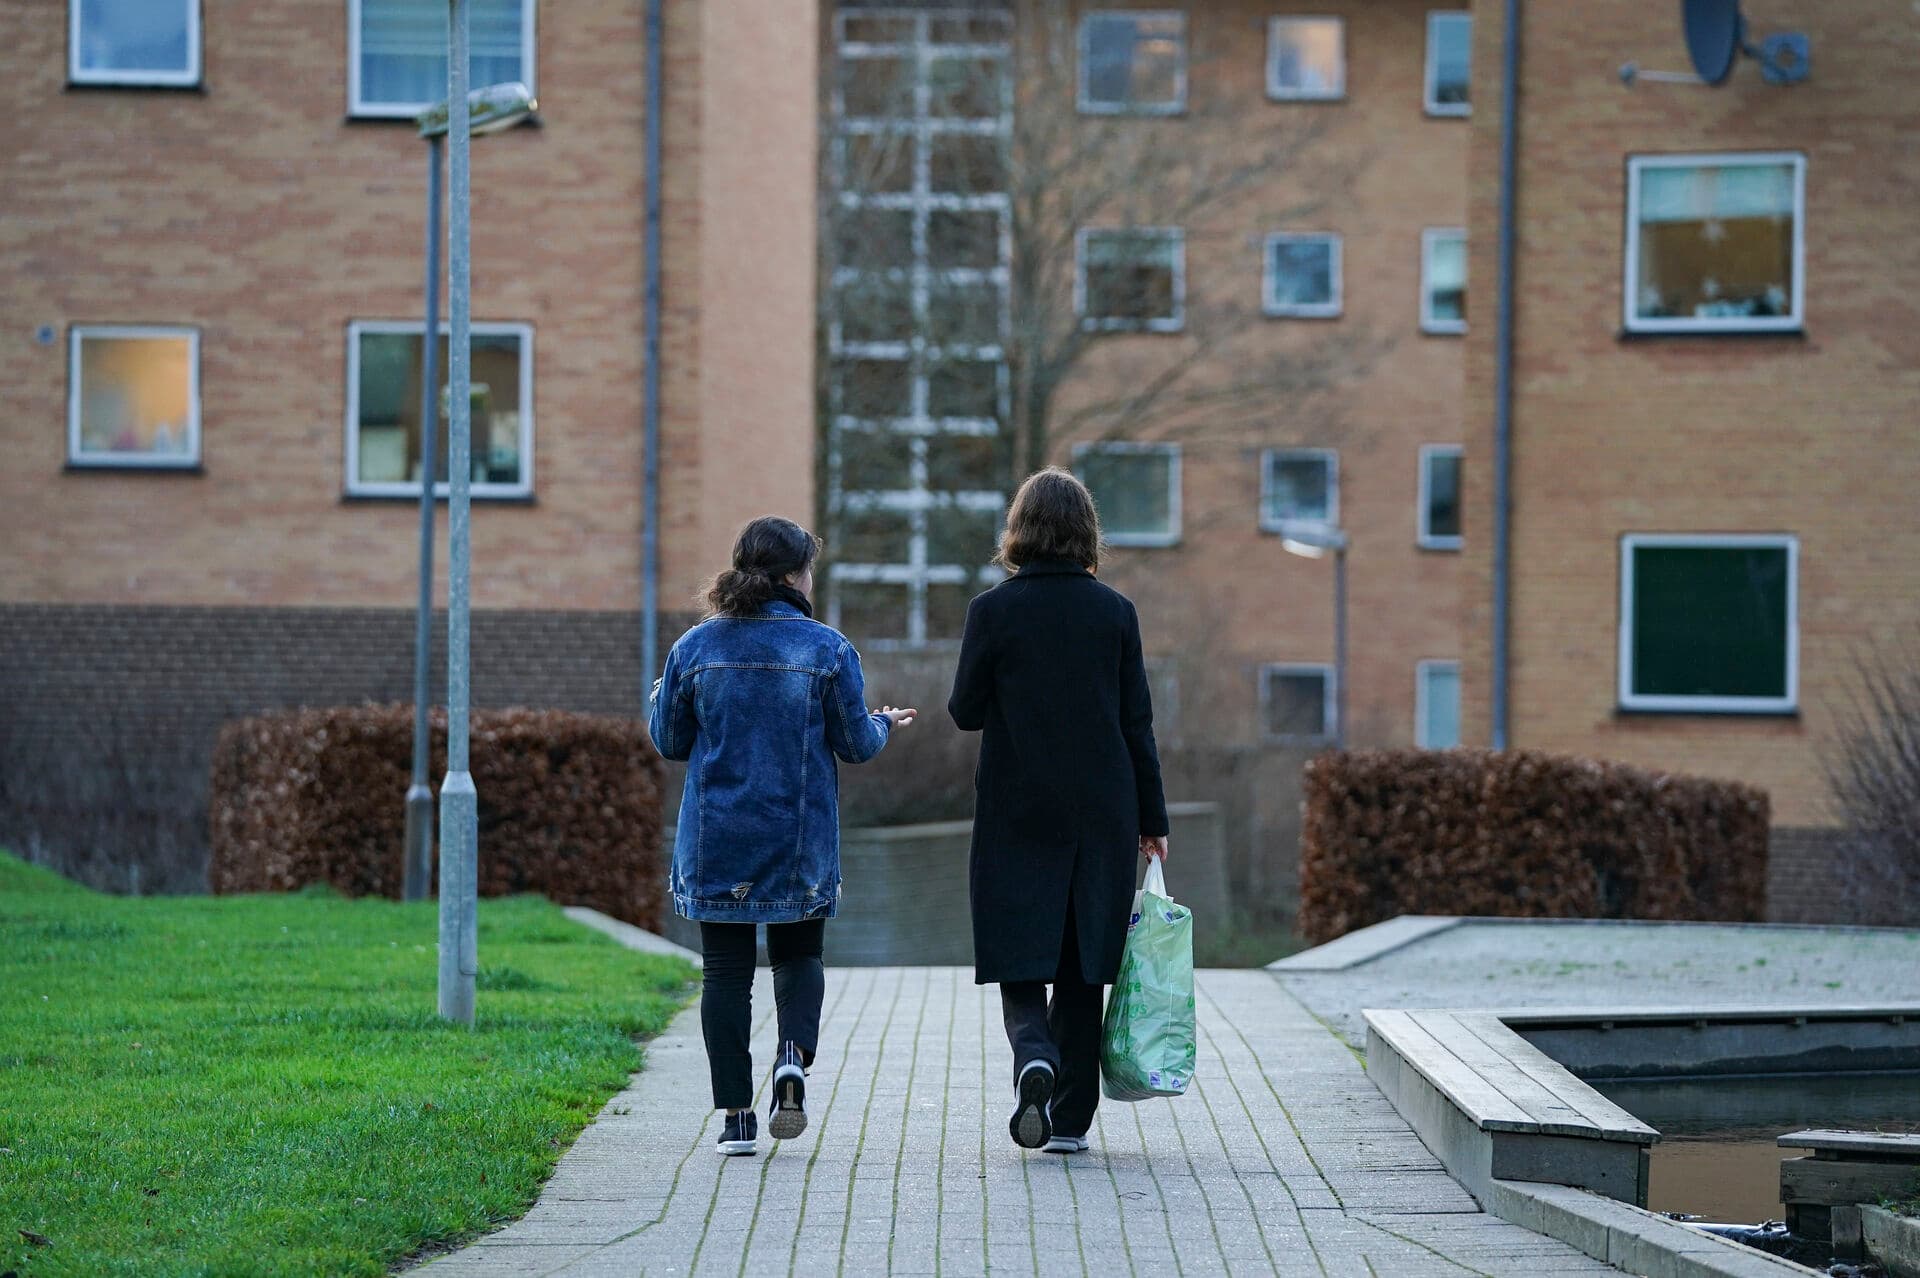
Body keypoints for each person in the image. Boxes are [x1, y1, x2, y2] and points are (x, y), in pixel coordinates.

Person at [650, 516, 916, 1157]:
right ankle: (792, 1059)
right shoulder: (826, 650)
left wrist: (659, 693)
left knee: (725, 973)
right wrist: (882, 723)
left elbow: (669, 741)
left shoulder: (694, 648)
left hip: (718, 841)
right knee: (799, 958)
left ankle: (736, 1119)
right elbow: (854, 744)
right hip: (798, 841)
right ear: (797, 575)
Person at [947, 468, 1169, 1154]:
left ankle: (1032, 1055)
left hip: (1019, 808)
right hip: (1102, 810)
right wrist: (1152, 819)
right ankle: (1070, 1122)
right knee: (1082, 965)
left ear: (1019, 531)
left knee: (1020, 954)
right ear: (1086, 532)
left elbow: (964, 711)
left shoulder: (993, 611)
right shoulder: (1116, 613)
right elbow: (1138, 724)